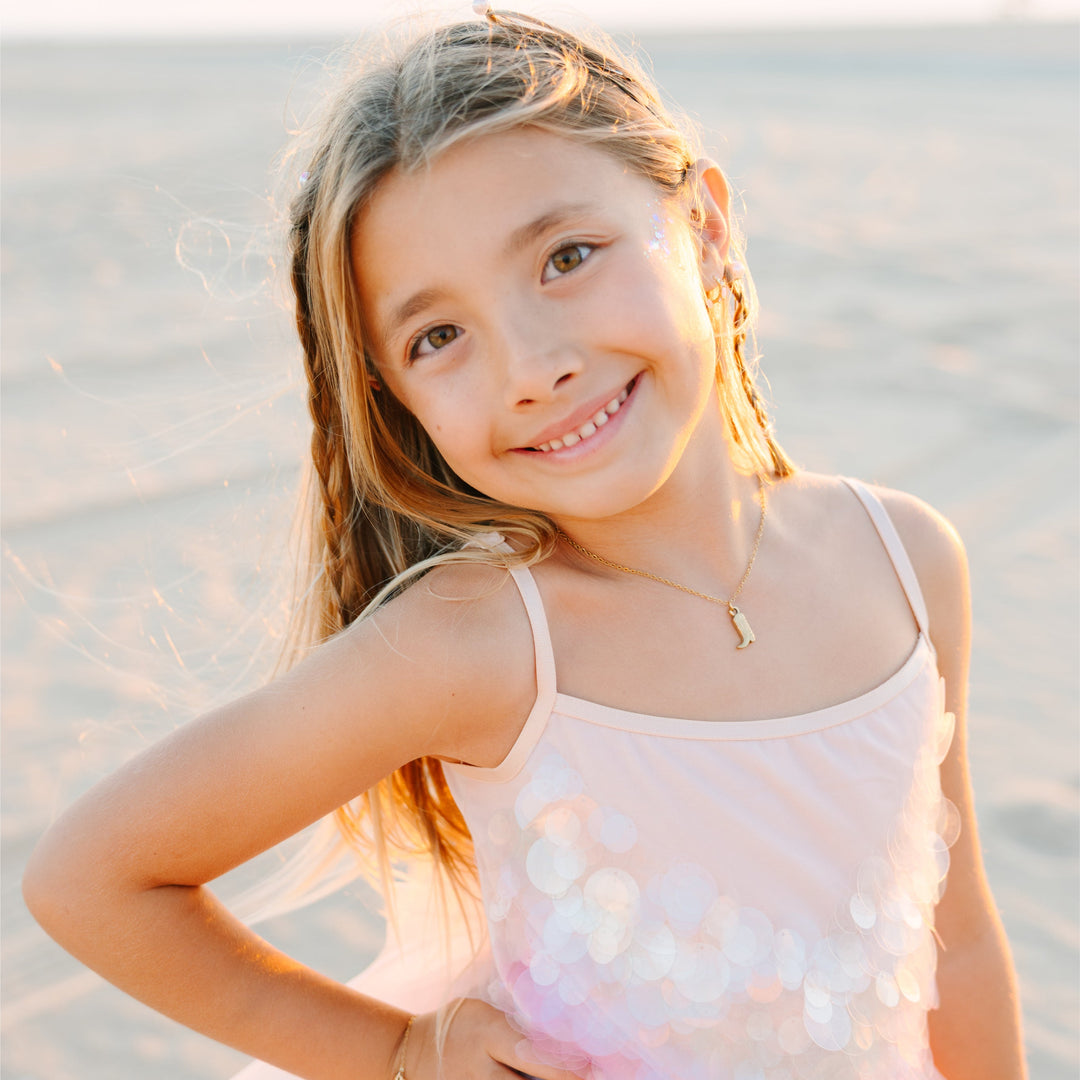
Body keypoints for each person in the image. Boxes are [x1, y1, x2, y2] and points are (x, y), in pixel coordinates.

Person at [22, 8, 1026, 1079]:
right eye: (439, 336)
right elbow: (92, 877)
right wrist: (401, 1054)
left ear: (706, 230)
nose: (531, 366)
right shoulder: (480, 642)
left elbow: (953, 937)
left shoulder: (907, 561)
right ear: (396, 396)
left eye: (567, 257)